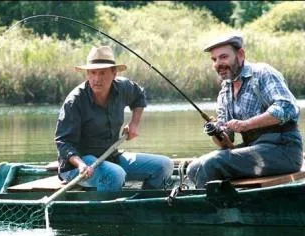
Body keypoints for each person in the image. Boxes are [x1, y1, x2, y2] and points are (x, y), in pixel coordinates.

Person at [186, 33, 303, 188]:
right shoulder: (225, 91)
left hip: (284, 150)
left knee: (212, 163)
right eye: (214, 60)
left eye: (223, 57)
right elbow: (227, 142)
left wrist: (246, 124)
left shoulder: (262, 73)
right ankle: (223, 204)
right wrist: (216, 132)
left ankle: (207, 209)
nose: (218, 64)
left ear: (240, 54)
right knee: (193, 168)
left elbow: (287, 107)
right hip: (255, 150)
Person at [54, 45, 174, 192]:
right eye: (93, 73)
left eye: (103, 73)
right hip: (77, 165)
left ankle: (141, 204)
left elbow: (139, 96)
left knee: (165, 165)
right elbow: (63, 143)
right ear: (88, 74)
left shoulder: (123, 87)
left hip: (111, 157)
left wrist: (134, 123)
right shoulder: (75, 101)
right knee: (115, 175)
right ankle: (106, 214)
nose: (97, 79)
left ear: (114, 73)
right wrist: (80, 164)